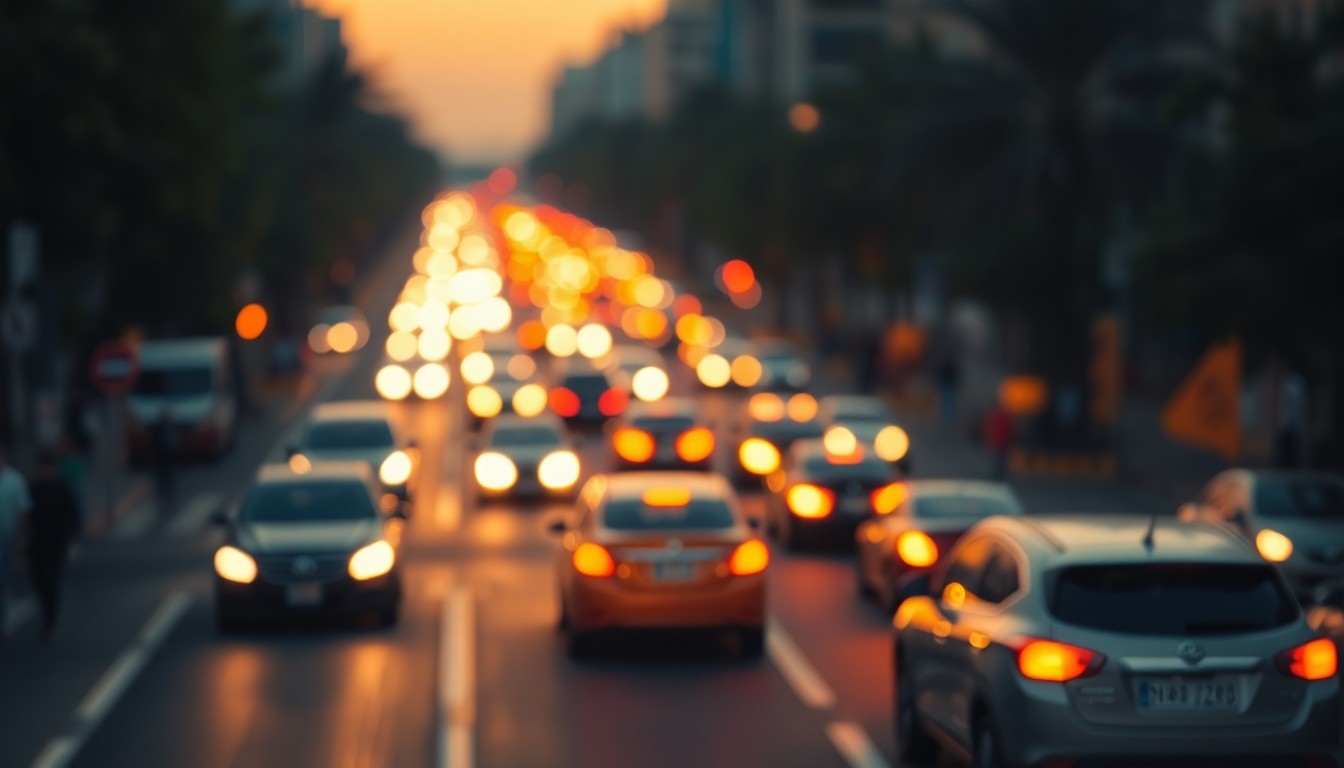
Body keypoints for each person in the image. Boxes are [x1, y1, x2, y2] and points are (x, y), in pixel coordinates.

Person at [25, 450, 80, 643]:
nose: (45, 471)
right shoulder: (33, 489)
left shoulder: (61, 489)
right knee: (38, 581)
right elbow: (26, 515)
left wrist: (72, 541)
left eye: (48, 467)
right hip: (37, 543)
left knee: (51, 582)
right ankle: (47, 619)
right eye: (43, 468)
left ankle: (49, 624)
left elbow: (72, 514)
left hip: (57, 543)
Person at [0, 445, 33, 633]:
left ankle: (5, 614)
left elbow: (23, 511)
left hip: (9, 535)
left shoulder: (14, 480)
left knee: (5, 576)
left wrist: (22, 538)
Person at [150, 410, 177, 517]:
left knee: (169, 483)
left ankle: (169, 502)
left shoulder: (170, 430)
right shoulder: (158, 431)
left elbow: (173, 444)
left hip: (169, 462)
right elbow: (154, 447)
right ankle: (162, 503)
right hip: (160, 462)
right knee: (161, 484)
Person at [984, 402, 1015, 481]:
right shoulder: (1004, 417)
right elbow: (1009, 429)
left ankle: (998, 474)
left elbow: (990, 429)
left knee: (998, 458)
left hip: (999, 441)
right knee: (1000, 459)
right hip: (1002, 441)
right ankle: (999, 474)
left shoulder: (995, 417)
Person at [936, 356, 961, 429]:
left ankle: (948, 420)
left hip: (949, 386)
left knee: (948, 403)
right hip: (948, 386)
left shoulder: (948, 366)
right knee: (947, 403)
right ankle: (947, 420)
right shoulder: (948, 366)